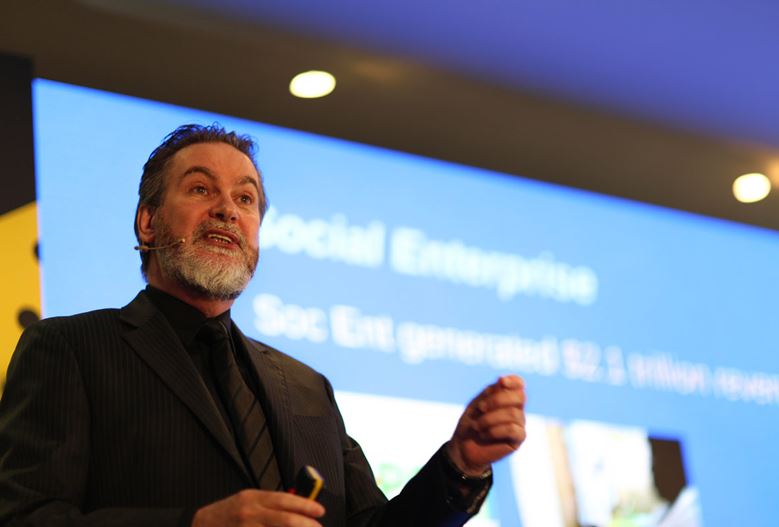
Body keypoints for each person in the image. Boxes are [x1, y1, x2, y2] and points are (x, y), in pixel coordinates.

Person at [0, 124, 527, 527]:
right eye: (201, 189)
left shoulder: (307, 388)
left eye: (245, 198)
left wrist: (460, 464)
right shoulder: (71, 348)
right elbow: (25, 517)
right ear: (148, 222)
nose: (227, 210)